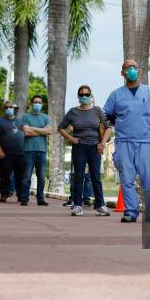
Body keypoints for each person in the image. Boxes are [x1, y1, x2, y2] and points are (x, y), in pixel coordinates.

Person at [103, 60, 150, 222]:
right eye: (127, 68)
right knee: (126, 180)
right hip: (123, 142)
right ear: (122, 72)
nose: (131, 70)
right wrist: (113, 131)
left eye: (134, 67)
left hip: (145, 142)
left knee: (148, 180)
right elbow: (108, 118)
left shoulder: (149, 92)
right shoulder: (115, 95)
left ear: (139, 71)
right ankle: (131, 212)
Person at [59, 85, 112, 216]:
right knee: (79, 176)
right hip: (79, 147)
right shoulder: (72, 112)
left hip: (95, 147)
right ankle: (77, 205)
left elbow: (108, 127)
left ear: (91, 95)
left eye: (87, 94)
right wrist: (71, 138)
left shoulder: (97, 110)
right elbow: (61, 128)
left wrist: (102, 143)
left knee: (96, 177)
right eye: (81, 94)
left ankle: (100, 205)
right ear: (78, 96)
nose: (84, 96)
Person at [20, 95, 52, 206]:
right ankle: (24, 198)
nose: (37, 104)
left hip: (42, 152)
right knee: (26, 176)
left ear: (42, 104)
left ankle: (40, 199)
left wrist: (32, 128)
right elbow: (26, 132)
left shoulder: (46, 117)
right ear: (31, 104)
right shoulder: (25, 117)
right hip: (28, 151)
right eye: (35, 102)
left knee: (42, 177)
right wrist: (42, 131)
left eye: (39, 102)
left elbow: (49, 131)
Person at [0, 101, 25, 203]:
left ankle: (20, 195)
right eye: (6, 107)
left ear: (14, 108)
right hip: (6, 154)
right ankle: (4, 194)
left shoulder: (20, 121)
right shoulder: (0, 121)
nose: (8, 109)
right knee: (5, 175)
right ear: (4, 109)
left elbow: (26, 133)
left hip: (20, 153)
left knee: (20, 175)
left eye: (10, 107)